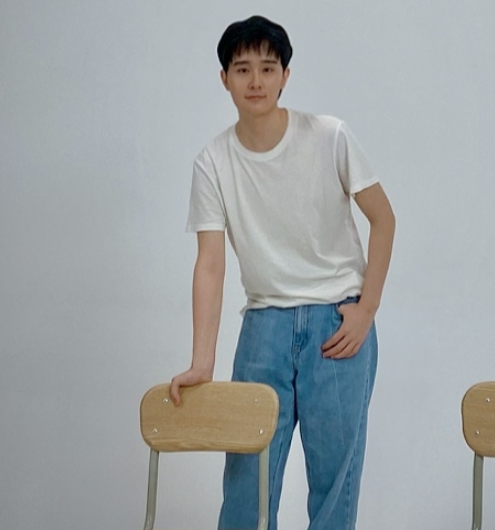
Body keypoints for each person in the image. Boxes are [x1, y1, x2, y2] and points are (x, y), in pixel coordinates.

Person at [170, 14, 395, 530]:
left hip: (337, 325)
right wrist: (202, 361)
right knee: (247, 488)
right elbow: (210, 263)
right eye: (242, 69)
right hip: (264, 327)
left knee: (335, 485)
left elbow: (384, 218)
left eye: (268, 68)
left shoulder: (330, 136)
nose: (256, 81)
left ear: (285, 76)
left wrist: (367, 309)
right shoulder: (213, 161)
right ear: (224, 78)